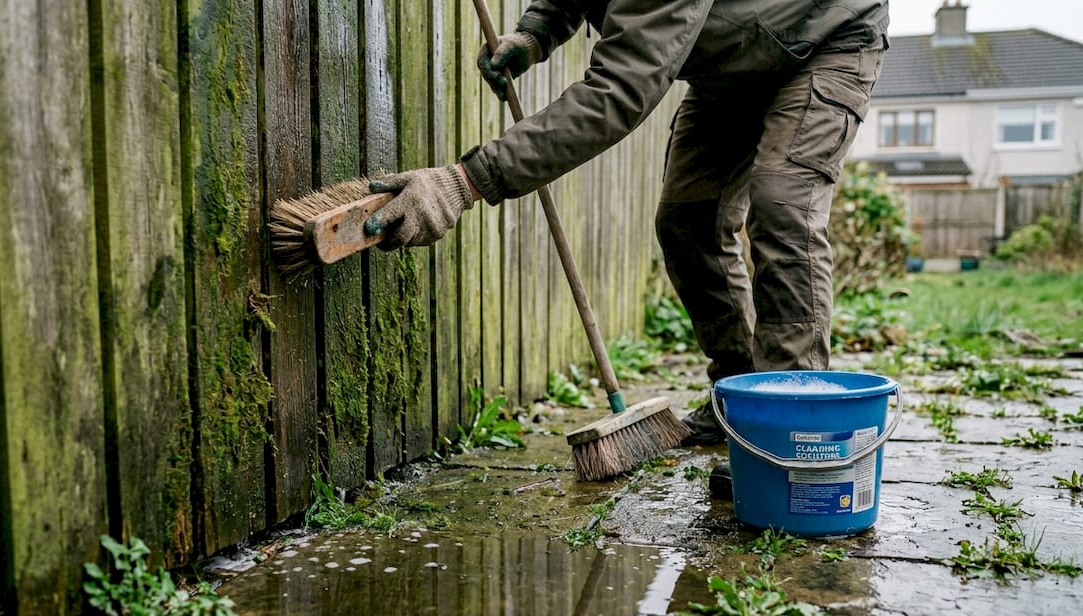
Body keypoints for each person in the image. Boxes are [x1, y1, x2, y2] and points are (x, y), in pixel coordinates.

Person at [364, 0, 889, 491]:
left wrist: (466, 181)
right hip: (731, 65)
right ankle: (739, 396)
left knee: (783, 206)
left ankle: (790, 428)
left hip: (826, 37)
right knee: (688, 221)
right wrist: (536, 31)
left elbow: (618, 92)